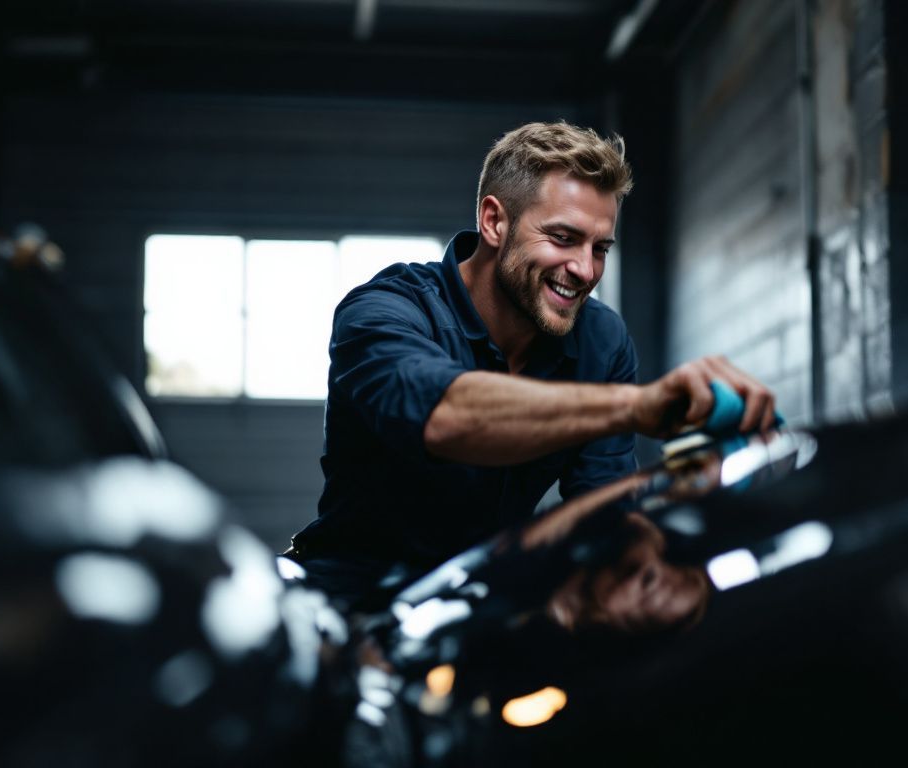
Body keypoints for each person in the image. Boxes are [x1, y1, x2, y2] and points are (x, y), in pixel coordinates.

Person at [288, 121, 776, 605]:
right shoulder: (384, 313)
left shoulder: (601, 341)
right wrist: (638, 405)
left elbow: (601, 513)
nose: (585, 270)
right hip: (348, 604)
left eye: (599, 248)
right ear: (495, 222)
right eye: (563, 238)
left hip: (479, 608)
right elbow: (449, 416)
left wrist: (689, 514)